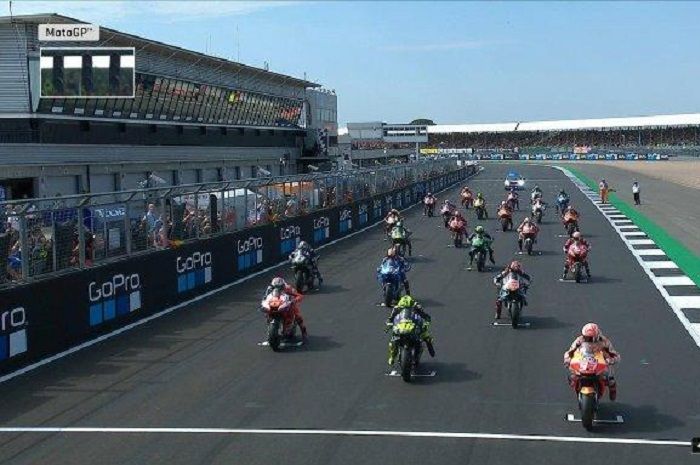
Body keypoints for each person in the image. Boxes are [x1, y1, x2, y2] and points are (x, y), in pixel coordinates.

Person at [564, 323, 620, 400]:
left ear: (596, 336)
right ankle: (577, 386)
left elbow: (615, 355)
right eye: (586, 337)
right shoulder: (579, 340)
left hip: (599, 363)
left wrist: (610, 360)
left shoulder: (604, 341)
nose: (587, 339)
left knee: (610, 379)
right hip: (584, 361)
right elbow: (570, 352)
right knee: (572, 376)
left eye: (590, 338)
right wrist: (567, 360)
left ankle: (612, 391)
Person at [386, 295, 435, 365]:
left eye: (408, 307)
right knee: (393, 340)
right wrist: (389, 324)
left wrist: (426, 324)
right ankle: (392, 357)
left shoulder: (417, 307)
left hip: (414, 326)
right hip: (401, 327)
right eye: (403, 307)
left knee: (427, 338)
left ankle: (431, 350)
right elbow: (390, 318)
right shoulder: (397, 308)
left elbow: (426, 317)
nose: (405, 308)